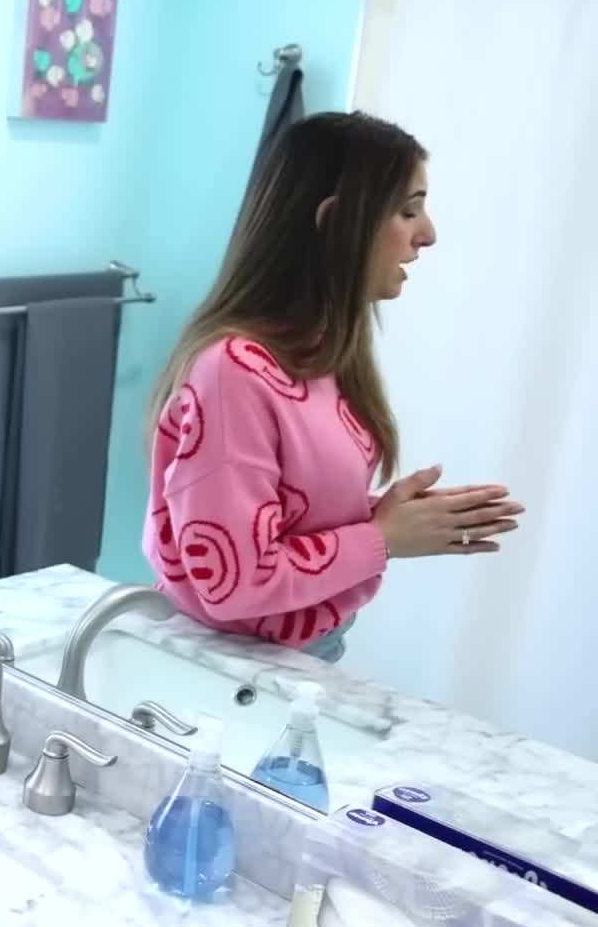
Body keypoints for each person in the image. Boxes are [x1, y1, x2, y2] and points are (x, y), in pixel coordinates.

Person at [142, 111, 523, 663]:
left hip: (297, 653)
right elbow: (235, 582)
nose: (427, 234)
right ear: (335, 221)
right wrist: (382, 538)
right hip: (228, 666)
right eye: (408, 210)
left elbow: (279, 515)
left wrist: (392, 518)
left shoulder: (321, 356)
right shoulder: (233, 372)